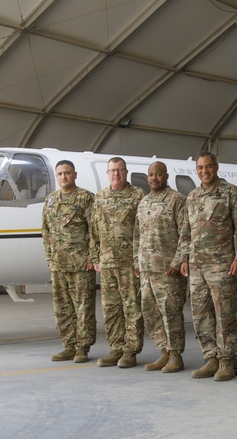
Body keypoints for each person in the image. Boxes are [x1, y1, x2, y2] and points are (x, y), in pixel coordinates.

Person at [184, 152, 237, 381]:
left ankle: (226, 361)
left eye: (208, 166)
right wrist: (184, 259)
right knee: (200, 315)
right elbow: (187, 233)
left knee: (225, 316)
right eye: (200, 167)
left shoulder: (231, 193)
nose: (205, 171)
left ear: (216, 167)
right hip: (196, 267)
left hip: (222, 265)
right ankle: (210, 358)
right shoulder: (192, 197)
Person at [134, 161, 191, 373]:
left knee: (171, 313)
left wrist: (177, 262)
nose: (153, 178)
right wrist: (136, 261)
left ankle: (176, 355)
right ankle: (164, 351)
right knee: (150, 312)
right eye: (150, 174)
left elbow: (186, 234)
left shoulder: (177, 200)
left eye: (158, 174)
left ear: (166, 176)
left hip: (168, 271)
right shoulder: (144, 202)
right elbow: (137, 235)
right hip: (147, 270)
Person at [90, 157, 146, 368]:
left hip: (129, 264)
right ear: (107, 173)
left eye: (120, 170)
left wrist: (139, 260)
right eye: (112, 170)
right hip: (107, 264)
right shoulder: (100, 197)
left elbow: (143, 229)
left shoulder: (138, 195)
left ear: (126, 172)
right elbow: (94, 230)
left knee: (132, 308)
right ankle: (116, 348)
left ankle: (130, 351)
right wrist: (95, 257)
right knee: (111, 308)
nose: (116, 174)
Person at [41, 160, 97, 363]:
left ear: (74, 175)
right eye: (60, 174)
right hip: (58, 265)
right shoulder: (51, 200)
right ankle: (69, 345)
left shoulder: (85, 198)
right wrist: (49, 256)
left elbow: (95, 230)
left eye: (67, 173)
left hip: (81, 264)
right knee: (62, 308)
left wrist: (92, 257)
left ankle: (83, 347)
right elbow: (45, 230)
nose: (63, 177)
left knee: (83, 308)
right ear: (56, 177)